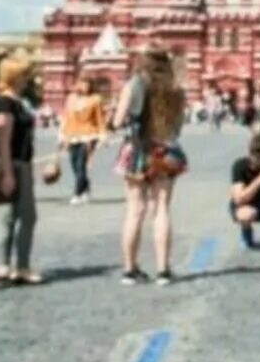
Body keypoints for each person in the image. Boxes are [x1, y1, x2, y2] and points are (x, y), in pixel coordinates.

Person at [113, 47, 188, 286]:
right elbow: (177, 125)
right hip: (166, 151)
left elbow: (117, 121)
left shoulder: (134, 84)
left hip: (137, 150)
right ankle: (163, 270)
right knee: (162, 209)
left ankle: (129, 269)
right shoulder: (176, 89)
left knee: (135, 210)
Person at [0, 54, 44, 285]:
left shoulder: (14, 102)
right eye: (24, 75)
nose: (27, 79)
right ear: (14, 77)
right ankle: (20, 266)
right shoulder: (5, 103)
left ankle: (4, 265)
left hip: (15, 163)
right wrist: (8, 172)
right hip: (15, 164)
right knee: (27, 216)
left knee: (10, 216)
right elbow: (3, 139)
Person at [60, 74, 106, 203]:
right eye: (81, 83)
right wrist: (62, 135)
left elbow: (100, 118)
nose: (84, 86)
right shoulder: (70, 99)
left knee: (81, 164)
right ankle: (85, 186)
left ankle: (77, 194)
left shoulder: (96, 99)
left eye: (87, 84)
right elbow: (66, 117)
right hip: (72, 135)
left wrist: (102, 135)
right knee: (74, 164)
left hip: (88, 136)